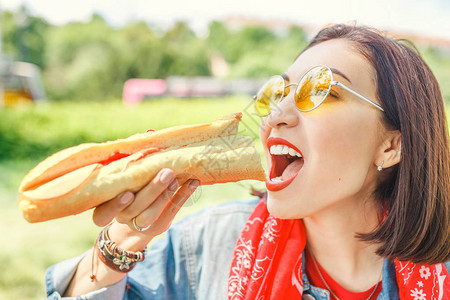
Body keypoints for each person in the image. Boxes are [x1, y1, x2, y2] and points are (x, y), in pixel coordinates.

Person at [46, 23, 449, 299]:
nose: (276, 115)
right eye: (279, 93)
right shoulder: (206, 245)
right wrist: (119, 244)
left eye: (321, 91)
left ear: (391, 146)